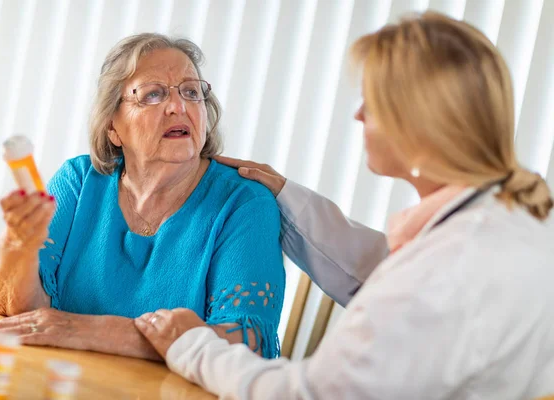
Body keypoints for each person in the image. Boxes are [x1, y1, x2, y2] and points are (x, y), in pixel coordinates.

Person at [133, 11, 554, 399]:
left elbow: (308, 395)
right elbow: (379, 267)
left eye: (373, 102)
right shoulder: (513, 219)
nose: (358, 115)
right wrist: (286, 192)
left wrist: (192, 346)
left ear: (423, 124)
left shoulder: (449, 269)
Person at [0, 33, 285, 360]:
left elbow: (247, 342)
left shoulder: (244, 203)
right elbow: (19, 312)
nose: (178, 106)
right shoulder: (79, 181)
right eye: (153, 94)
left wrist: (91, 331)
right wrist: (19, 245)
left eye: (191, 92)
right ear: (113, 126)